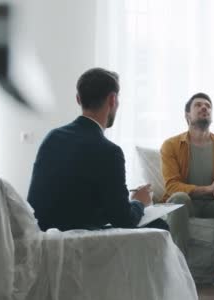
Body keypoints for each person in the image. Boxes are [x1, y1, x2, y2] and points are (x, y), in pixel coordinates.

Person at [27, 67, 167, 231]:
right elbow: (124, 220)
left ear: (78, 99)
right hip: (79, 240)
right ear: (112, 100)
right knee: (160, 226)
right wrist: (139, 201)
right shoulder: (110, 152)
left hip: (41, 235)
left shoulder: (52, 138)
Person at [161, 92, 214, 292]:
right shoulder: (171, 145)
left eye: (208, 106)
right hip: (187, 202)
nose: (204, 108)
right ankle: (180, 270)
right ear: (187, 115)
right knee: (179, 197)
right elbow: (172, 186)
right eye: (198, 105)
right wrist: (208, 188)